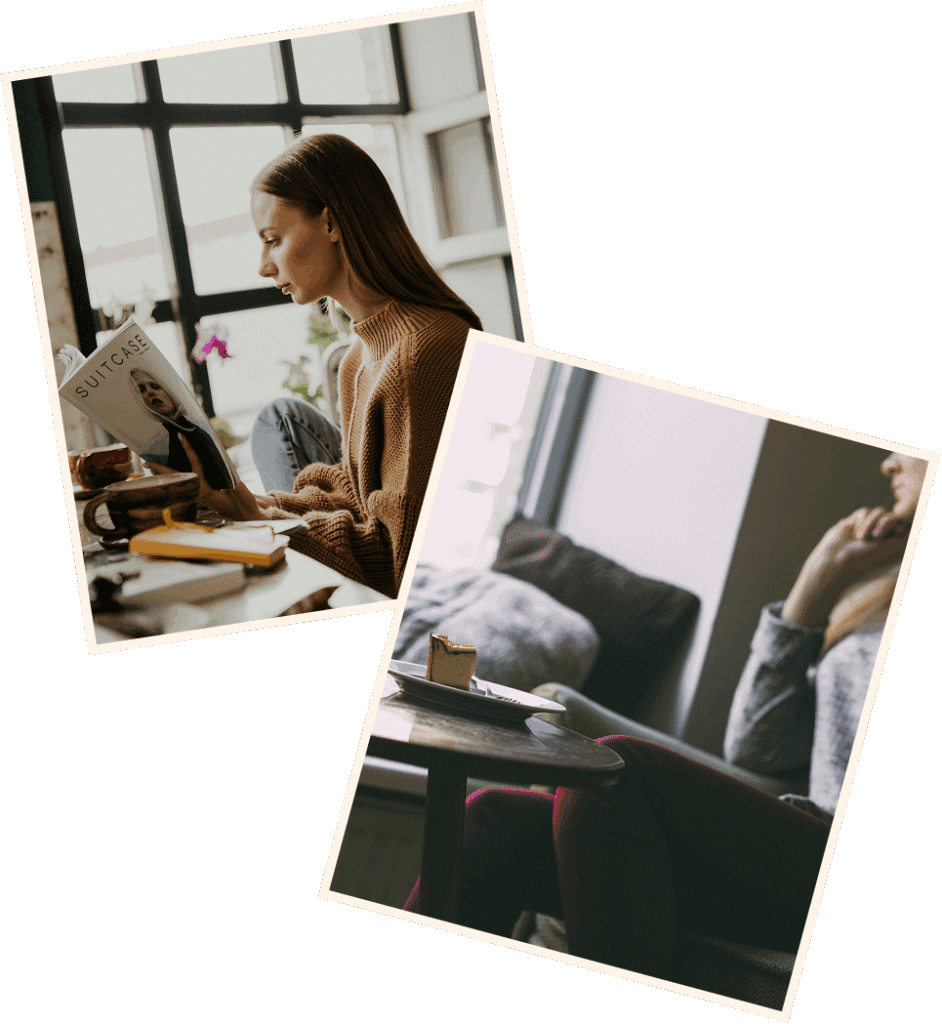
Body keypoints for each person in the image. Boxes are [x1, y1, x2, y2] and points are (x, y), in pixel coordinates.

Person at [404, 453, 927, 983]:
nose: (889, 463)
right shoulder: (879, 596)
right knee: (494, 819)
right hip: (800, 844)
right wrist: (808, 598)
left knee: (616, 773)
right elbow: (760, 749)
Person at [150, 134, 481, 598]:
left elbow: (395, 562)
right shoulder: (358, 358)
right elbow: (357, 496)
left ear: (331, 223)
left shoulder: (420, 355)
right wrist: (259, 507)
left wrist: (252, 517)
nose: (264, 266)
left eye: (273, 240)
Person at [131, 368, 235, 490]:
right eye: (142, 390)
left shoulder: (195, 430)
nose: (150, 392)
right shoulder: (159, 444)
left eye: (155, 386)